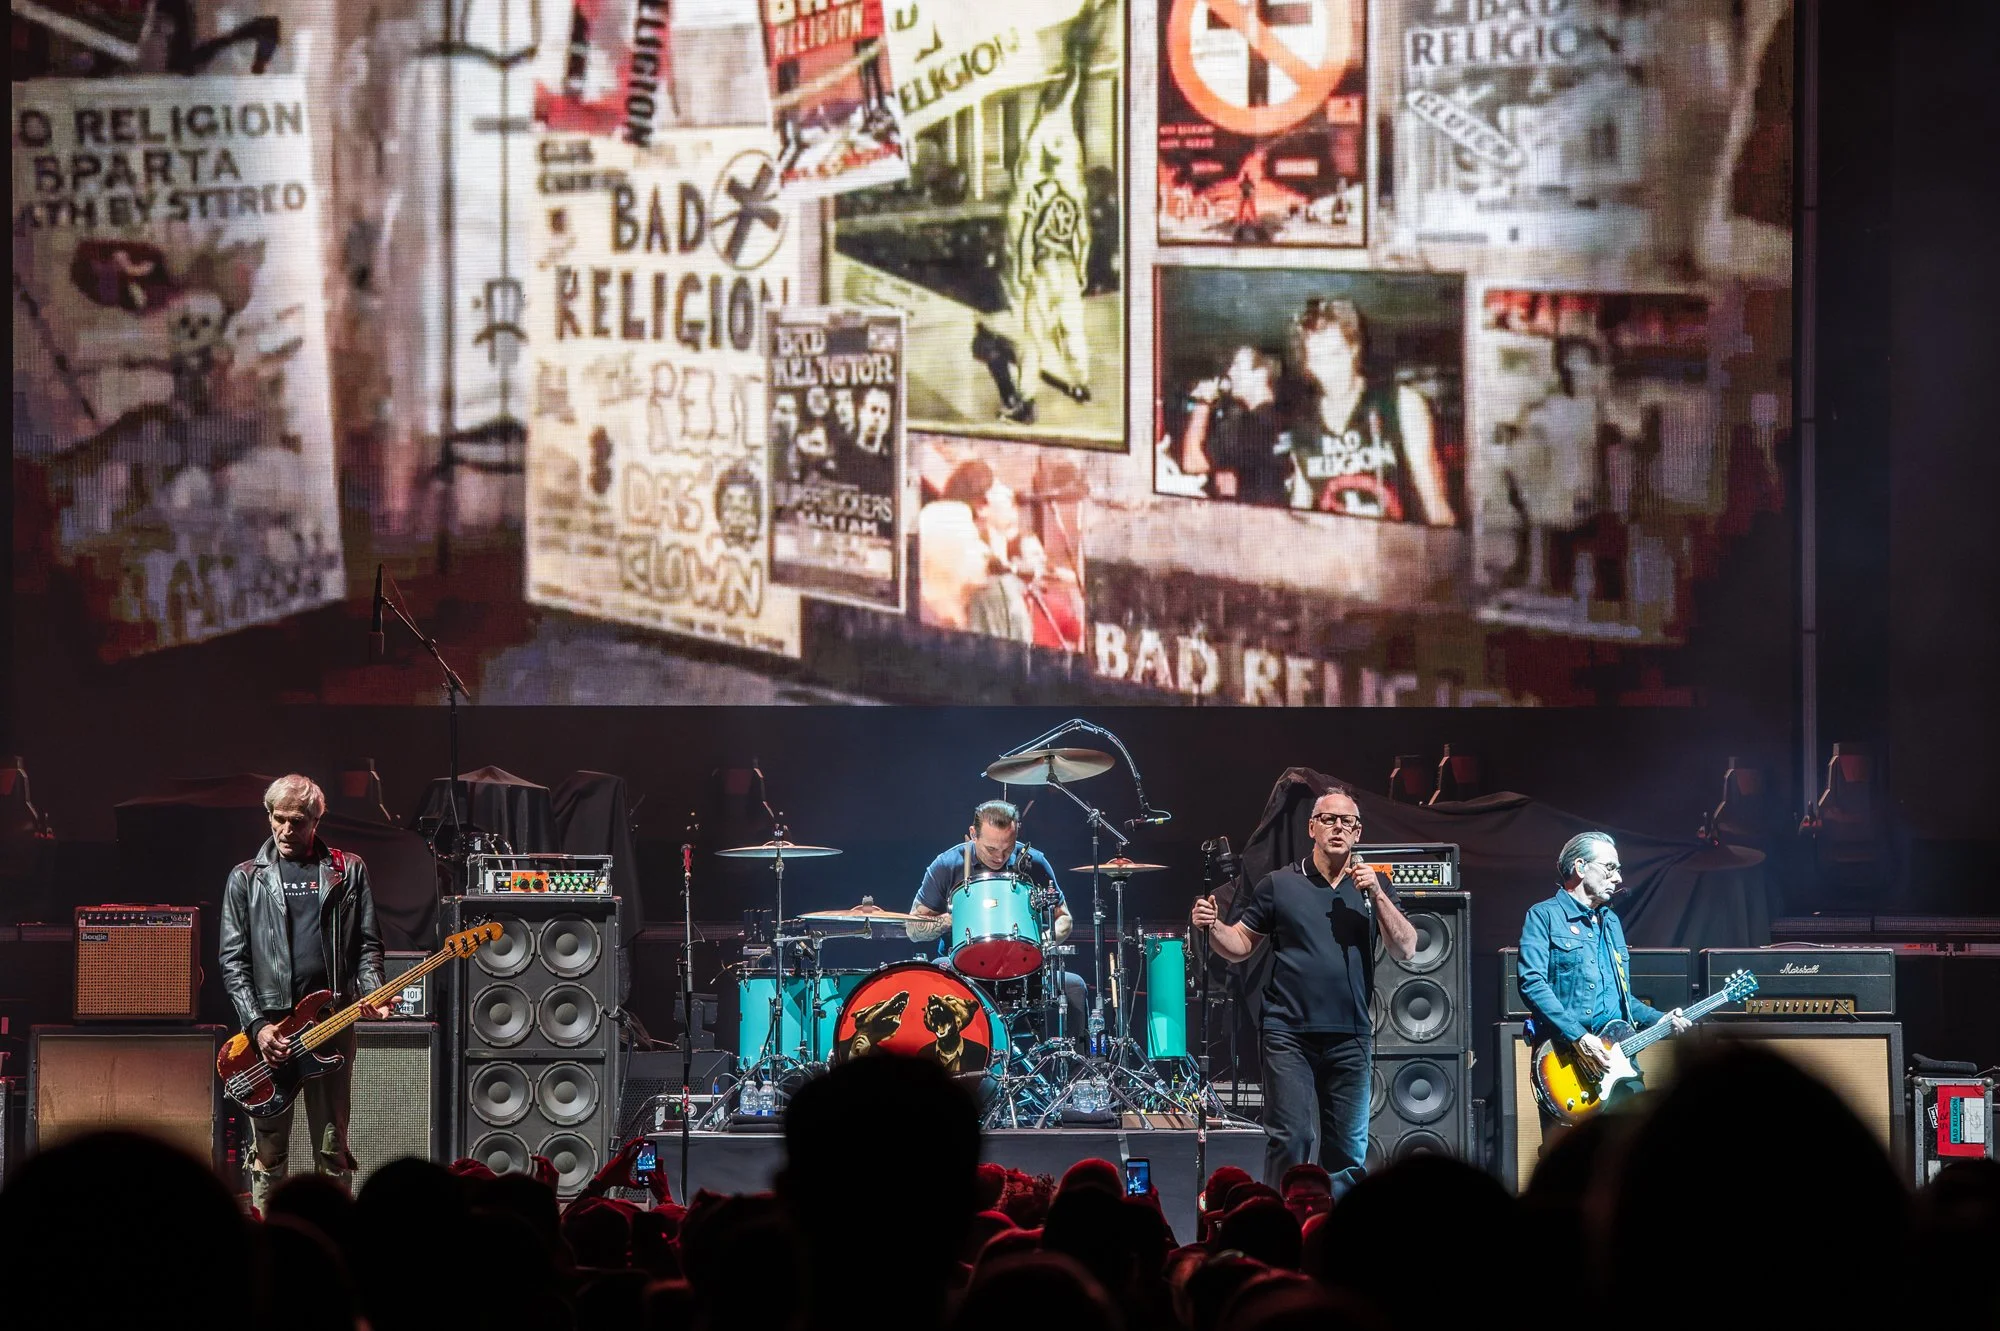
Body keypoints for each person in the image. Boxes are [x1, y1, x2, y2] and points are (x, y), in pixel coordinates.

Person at [1192, 787, 1418, 1192]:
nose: (1337, 828)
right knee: (1293, 1137)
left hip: (1350, 1035)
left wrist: (1378, 894)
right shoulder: (1279, 884)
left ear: (1358, 833)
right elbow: (1241, 945)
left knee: (1348, 1148)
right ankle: (1279, 1223)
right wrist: (1213, 928)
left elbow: (1406, 947)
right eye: (1328, 819)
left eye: (1346, 822)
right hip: (1288, 1032)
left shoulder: (1373, 887)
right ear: (1312, 827)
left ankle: (1333, 1236)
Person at [220, 773, 387, 1212]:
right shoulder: (245, 879)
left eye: (296, 822)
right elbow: (233, 963)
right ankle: (265, 1245)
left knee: (332, 1149)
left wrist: (372, 992)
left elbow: (368, 945)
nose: (285, 831)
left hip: (331, 1023)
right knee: (269, 1154)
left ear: (316, 820)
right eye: (278, 820)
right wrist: (257, 1027)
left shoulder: (347, 870)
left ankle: (334, 1246)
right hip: (271, 1033)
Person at [1515, 831, 1690, 1138]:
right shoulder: (1544, 916)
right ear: (1580, 867)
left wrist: (1660, 1019)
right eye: (1610, 868)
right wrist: (1579, 1037)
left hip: (1619, 1064)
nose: (1618, 878)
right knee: (1573, 1165)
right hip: (1568, 1063)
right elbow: (1532, 983)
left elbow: (1623, 998)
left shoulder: (1610, 923)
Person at [910, 799, 1091, 1042]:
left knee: (1074, 987)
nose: (1000, 857)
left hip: (1023, 968)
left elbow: (1064, 919)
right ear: (973, 834)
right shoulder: (946, 865)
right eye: (991, 849)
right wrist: (952, 920)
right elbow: (913, 928)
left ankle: (1075, 1075)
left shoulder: (1034, 862)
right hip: (961, 968)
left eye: (1007, 848)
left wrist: (1042, 941)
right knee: (935, 975)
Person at [1279, 297, 1456, 526]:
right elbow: (1300, 514)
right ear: (1307, 365)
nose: (1331, 371)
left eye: (1336, 354)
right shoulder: (1304, 426)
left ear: (1354, 349)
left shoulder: (1402, 404)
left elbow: (1437, 508)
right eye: (1319, 359)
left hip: (1400, 553)